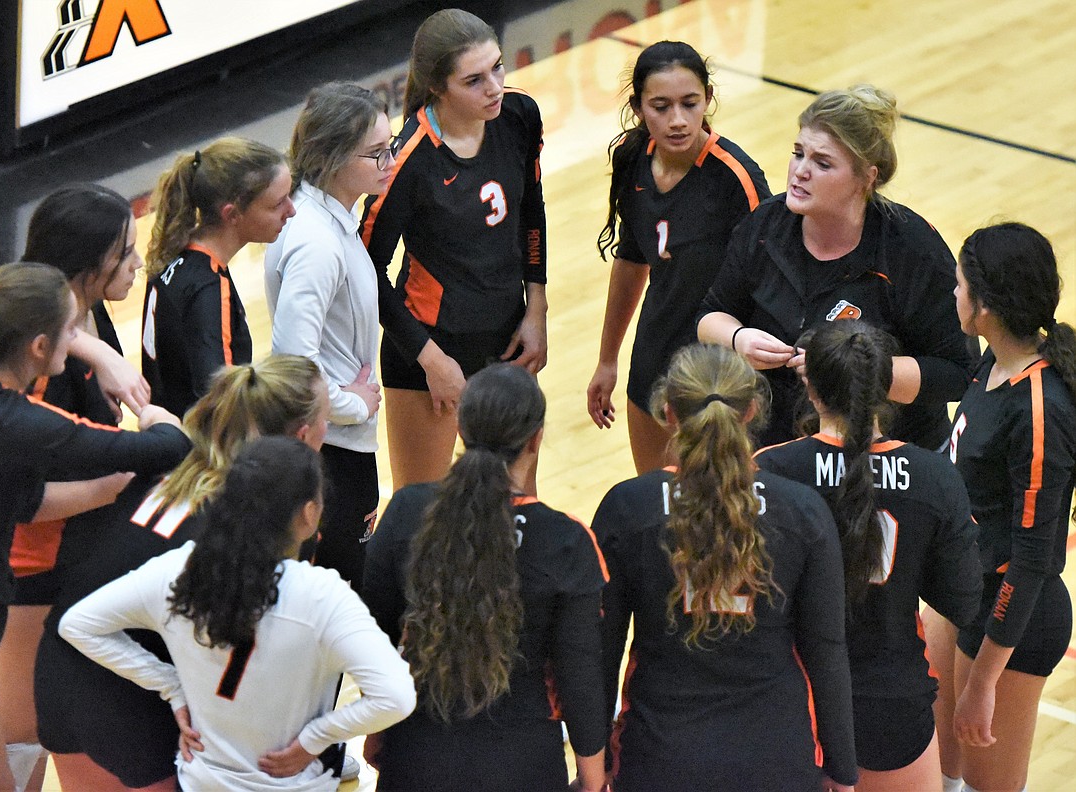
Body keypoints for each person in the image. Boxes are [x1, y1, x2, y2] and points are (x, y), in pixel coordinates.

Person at [0, 261, 190, 792]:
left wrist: (95, 350)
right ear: (40, 346)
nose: (77, 338)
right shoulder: (12, 421)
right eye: (71, 331)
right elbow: (162, 448)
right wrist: (159, 418)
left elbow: (27, 500)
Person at [36, 355, 331, 791]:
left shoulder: (180, 461)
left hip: (59, 673)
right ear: (304, 438)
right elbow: (239, 673)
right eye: (330, 419)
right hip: (129, 700)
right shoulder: (250, 523)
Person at [59, 435, 416, 791]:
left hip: (203, 781)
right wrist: (315, 739)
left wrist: (170, 686)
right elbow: (396, 696)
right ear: (309, 515)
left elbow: (77, 625)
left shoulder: (178, 570)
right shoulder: (323, 594)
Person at [592, 343, 857, 791]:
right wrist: (843, 772)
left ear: (668, 411)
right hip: (777, 759)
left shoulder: (626, 509)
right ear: (752, 411)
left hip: (660, 759)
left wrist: (590, 764)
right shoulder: (803, 512)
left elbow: (599, 655)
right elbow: (827, 652)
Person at [754, 320, 981, 791]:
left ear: (810, 387)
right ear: (886, 389)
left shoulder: (768, 471)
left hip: (793, 700)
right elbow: (963, 602)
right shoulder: (935, 478)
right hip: (893, 705)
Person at [361, 364, 608, 791]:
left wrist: (377, 731)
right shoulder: (566, 541)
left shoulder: (407, 510)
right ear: (536, 438)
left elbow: (371, 640)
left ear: (460, 428)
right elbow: (580, 676)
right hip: (524, 766)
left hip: (416, 757)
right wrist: (591, 781)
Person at [697, 84, 973, 449]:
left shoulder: (911, 248)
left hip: (889, 457)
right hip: (781, 448)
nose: (800, 171)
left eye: (822, 163)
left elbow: (957, 371)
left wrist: (854, 371)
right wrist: (738, 339)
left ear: (867, 178)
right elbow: (710, 315)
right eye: (798, 154)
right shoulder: (766, 226)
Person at [360, 8, 548, 490]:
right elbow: (364, 269)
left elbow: (531, 210)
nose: (495, 87)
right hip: (431, 347)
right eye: (474, 79)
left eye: (498, 67)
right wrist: (430, 359)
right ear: (438, 87)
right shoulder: (407, 162)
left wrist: (537, 307)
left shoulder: (519, 116)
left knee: (517, 505)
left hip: (509, 340)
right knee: (421, 511)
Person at [3, 183, 148, 792]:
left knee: (59, 728)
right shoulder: (37, 360)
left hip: (79, 559)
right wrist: (116, 482)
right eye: (127, 254)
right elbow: (18, 494)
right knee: (21, 737)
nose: (139, 265)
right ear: (89, 265)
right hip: (27, 570)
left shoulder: (83, 315)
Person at [932, 223, 1076, 792]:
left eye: (960, 285)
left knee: (984, 785)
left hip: (1014, 617)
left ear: (985, 305)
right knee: (940, 774)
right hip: (966, 591)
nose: (953, 294)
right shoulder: (988, 364)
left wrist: (985, 680)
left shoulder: (1042, 408)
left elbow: (1033, 557)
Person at [587, 40, 769, 473]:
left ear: (708, 98)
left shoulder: (736, 178)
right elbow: (631, 261)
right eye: (661, 106)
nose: (678, 120)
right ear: (637, 108)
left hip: (720, 371)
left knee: (723, 511)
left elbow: (771, 285)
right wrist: (608, 359)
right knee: (656, 505)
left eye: (690, 104)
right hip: (654, 353)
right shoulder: (633, 158)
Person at [265, 83, 390, 589]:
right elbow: (293, 359)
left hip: (341, 445)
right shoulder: (316, 241)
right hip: (332, 451)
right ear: (335, 157)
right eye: (377, 153)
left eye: (391, 146)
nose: (390, 161)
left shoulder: (329, 219)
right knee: (331, 607)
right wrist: (351, 405)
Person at [142, 137, 296, 416]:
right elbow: (222, 402)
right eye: (277, 204)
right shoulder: (209, 288)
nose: (291, 211)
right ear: (232, 214)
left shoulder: (171, 259)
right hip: (202, 453)